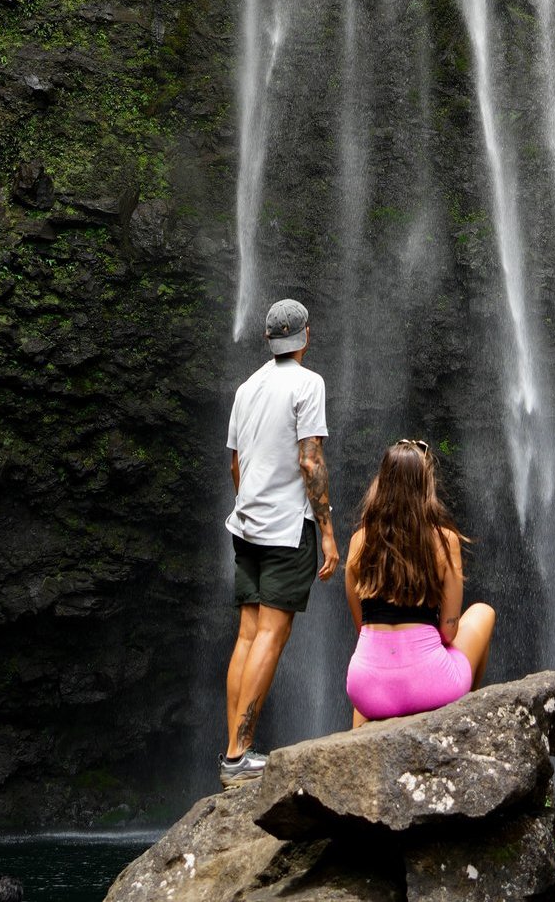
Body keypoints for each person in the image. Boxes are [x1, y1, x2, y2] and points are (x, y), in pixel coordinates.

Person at [221, 297, 339, 785]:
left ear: (270, 339)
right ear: (305, 336)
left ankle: (233, 754)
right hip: (287, 530)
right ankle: (238, 752)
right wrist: (328, 532)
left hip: (246, 526)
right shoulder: (308, 383)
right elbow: (310, 460)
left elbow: (235, 463)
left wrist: (251, 503)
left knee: (247, 634)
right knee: (272, 633)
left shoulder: (247, 387)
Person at [343, 437, 495, 724]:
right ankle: (463, 721)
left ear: (381, 483)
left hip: (367, 689)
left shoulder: (358, 542)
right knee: (483, 612)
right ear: (426, 486)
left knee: (371, 664)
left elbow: (362, 627)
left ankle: (360, 746)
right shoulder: (443, 539)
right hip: (431, 685)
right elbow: (449, 632)